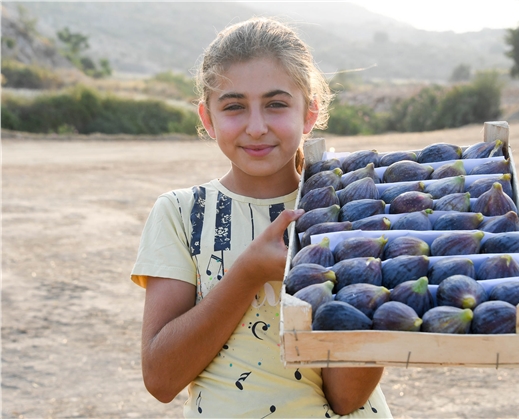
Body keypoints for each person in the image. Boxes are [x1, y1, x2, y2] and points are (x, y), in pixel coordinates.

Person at [130, 17, 392, 418]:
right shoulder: (182, 213)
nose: (256, 127)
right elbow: (162, 379)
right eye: (234, 106)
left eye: (276, 104)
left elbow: (346, 398)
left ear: (309, 114)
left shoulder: (345, 211)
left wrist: (369, 286)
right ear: (208, 118)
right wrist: (248, 273)